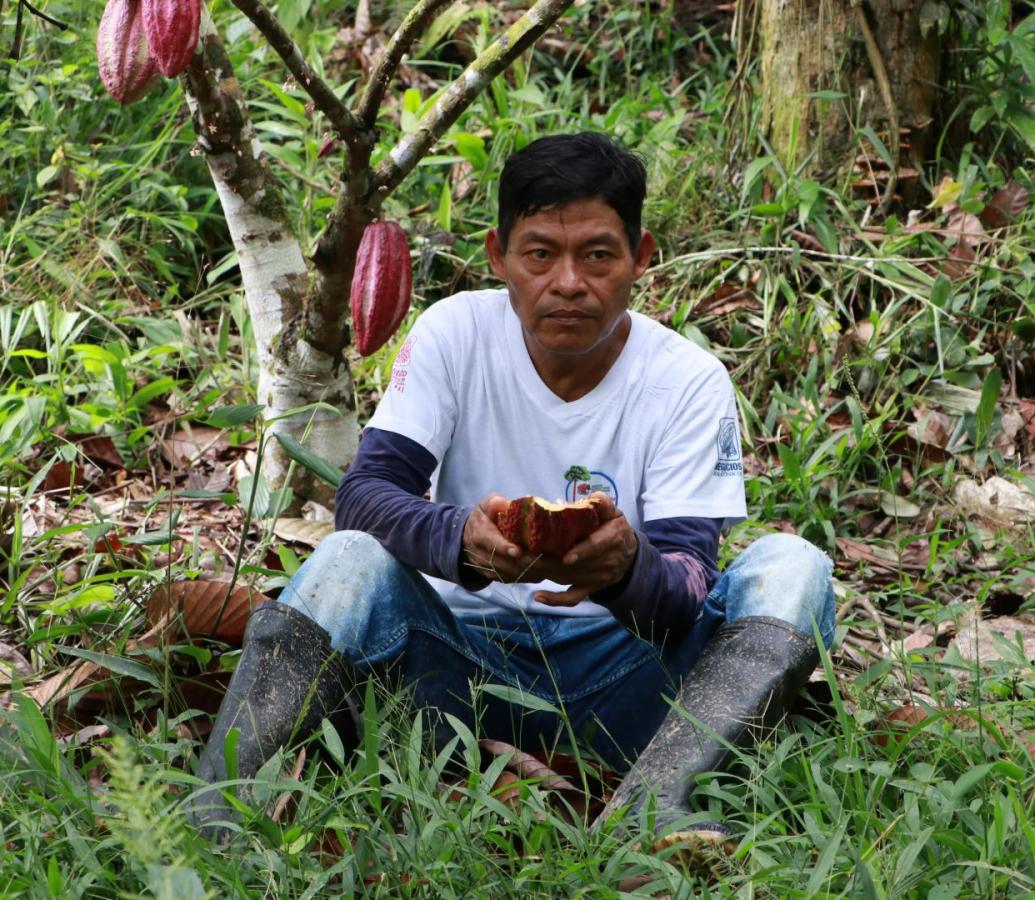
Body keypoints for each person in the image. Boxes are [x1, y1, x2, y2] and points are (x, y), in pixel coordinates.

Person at [188, 132, 836, 850]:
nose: (569, 282)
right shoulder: (455, 335)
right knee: (346, 557)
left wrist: (627, 570)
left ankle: (657, 803)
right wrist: (460, 538)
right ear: (499, 256)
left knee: (794, 565)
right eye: (540, 254)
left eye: (598, 255)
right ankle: (215, 811)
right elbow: (366, 495)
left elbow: (688, 585)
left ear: (641, 257)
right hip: (456, 676)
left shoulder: (687, 380)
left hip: (630, 686)